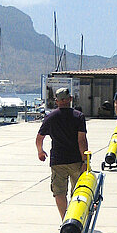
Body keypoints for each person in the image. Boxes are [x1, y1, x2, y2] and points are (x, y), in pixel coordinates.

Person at [36, 87, 88, 219]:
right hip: (75, 160)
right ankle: (76, 218)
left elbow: (39, 138)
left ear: (56, 101)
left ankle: (65, 219)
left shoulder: (50, 117)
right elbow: (81, 140)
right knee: (78, 191)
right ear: (70, 99)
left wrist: (40, 152)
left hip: (58, 160)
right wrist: (85, 160)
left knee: (59, 192)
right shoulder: (78, 116)